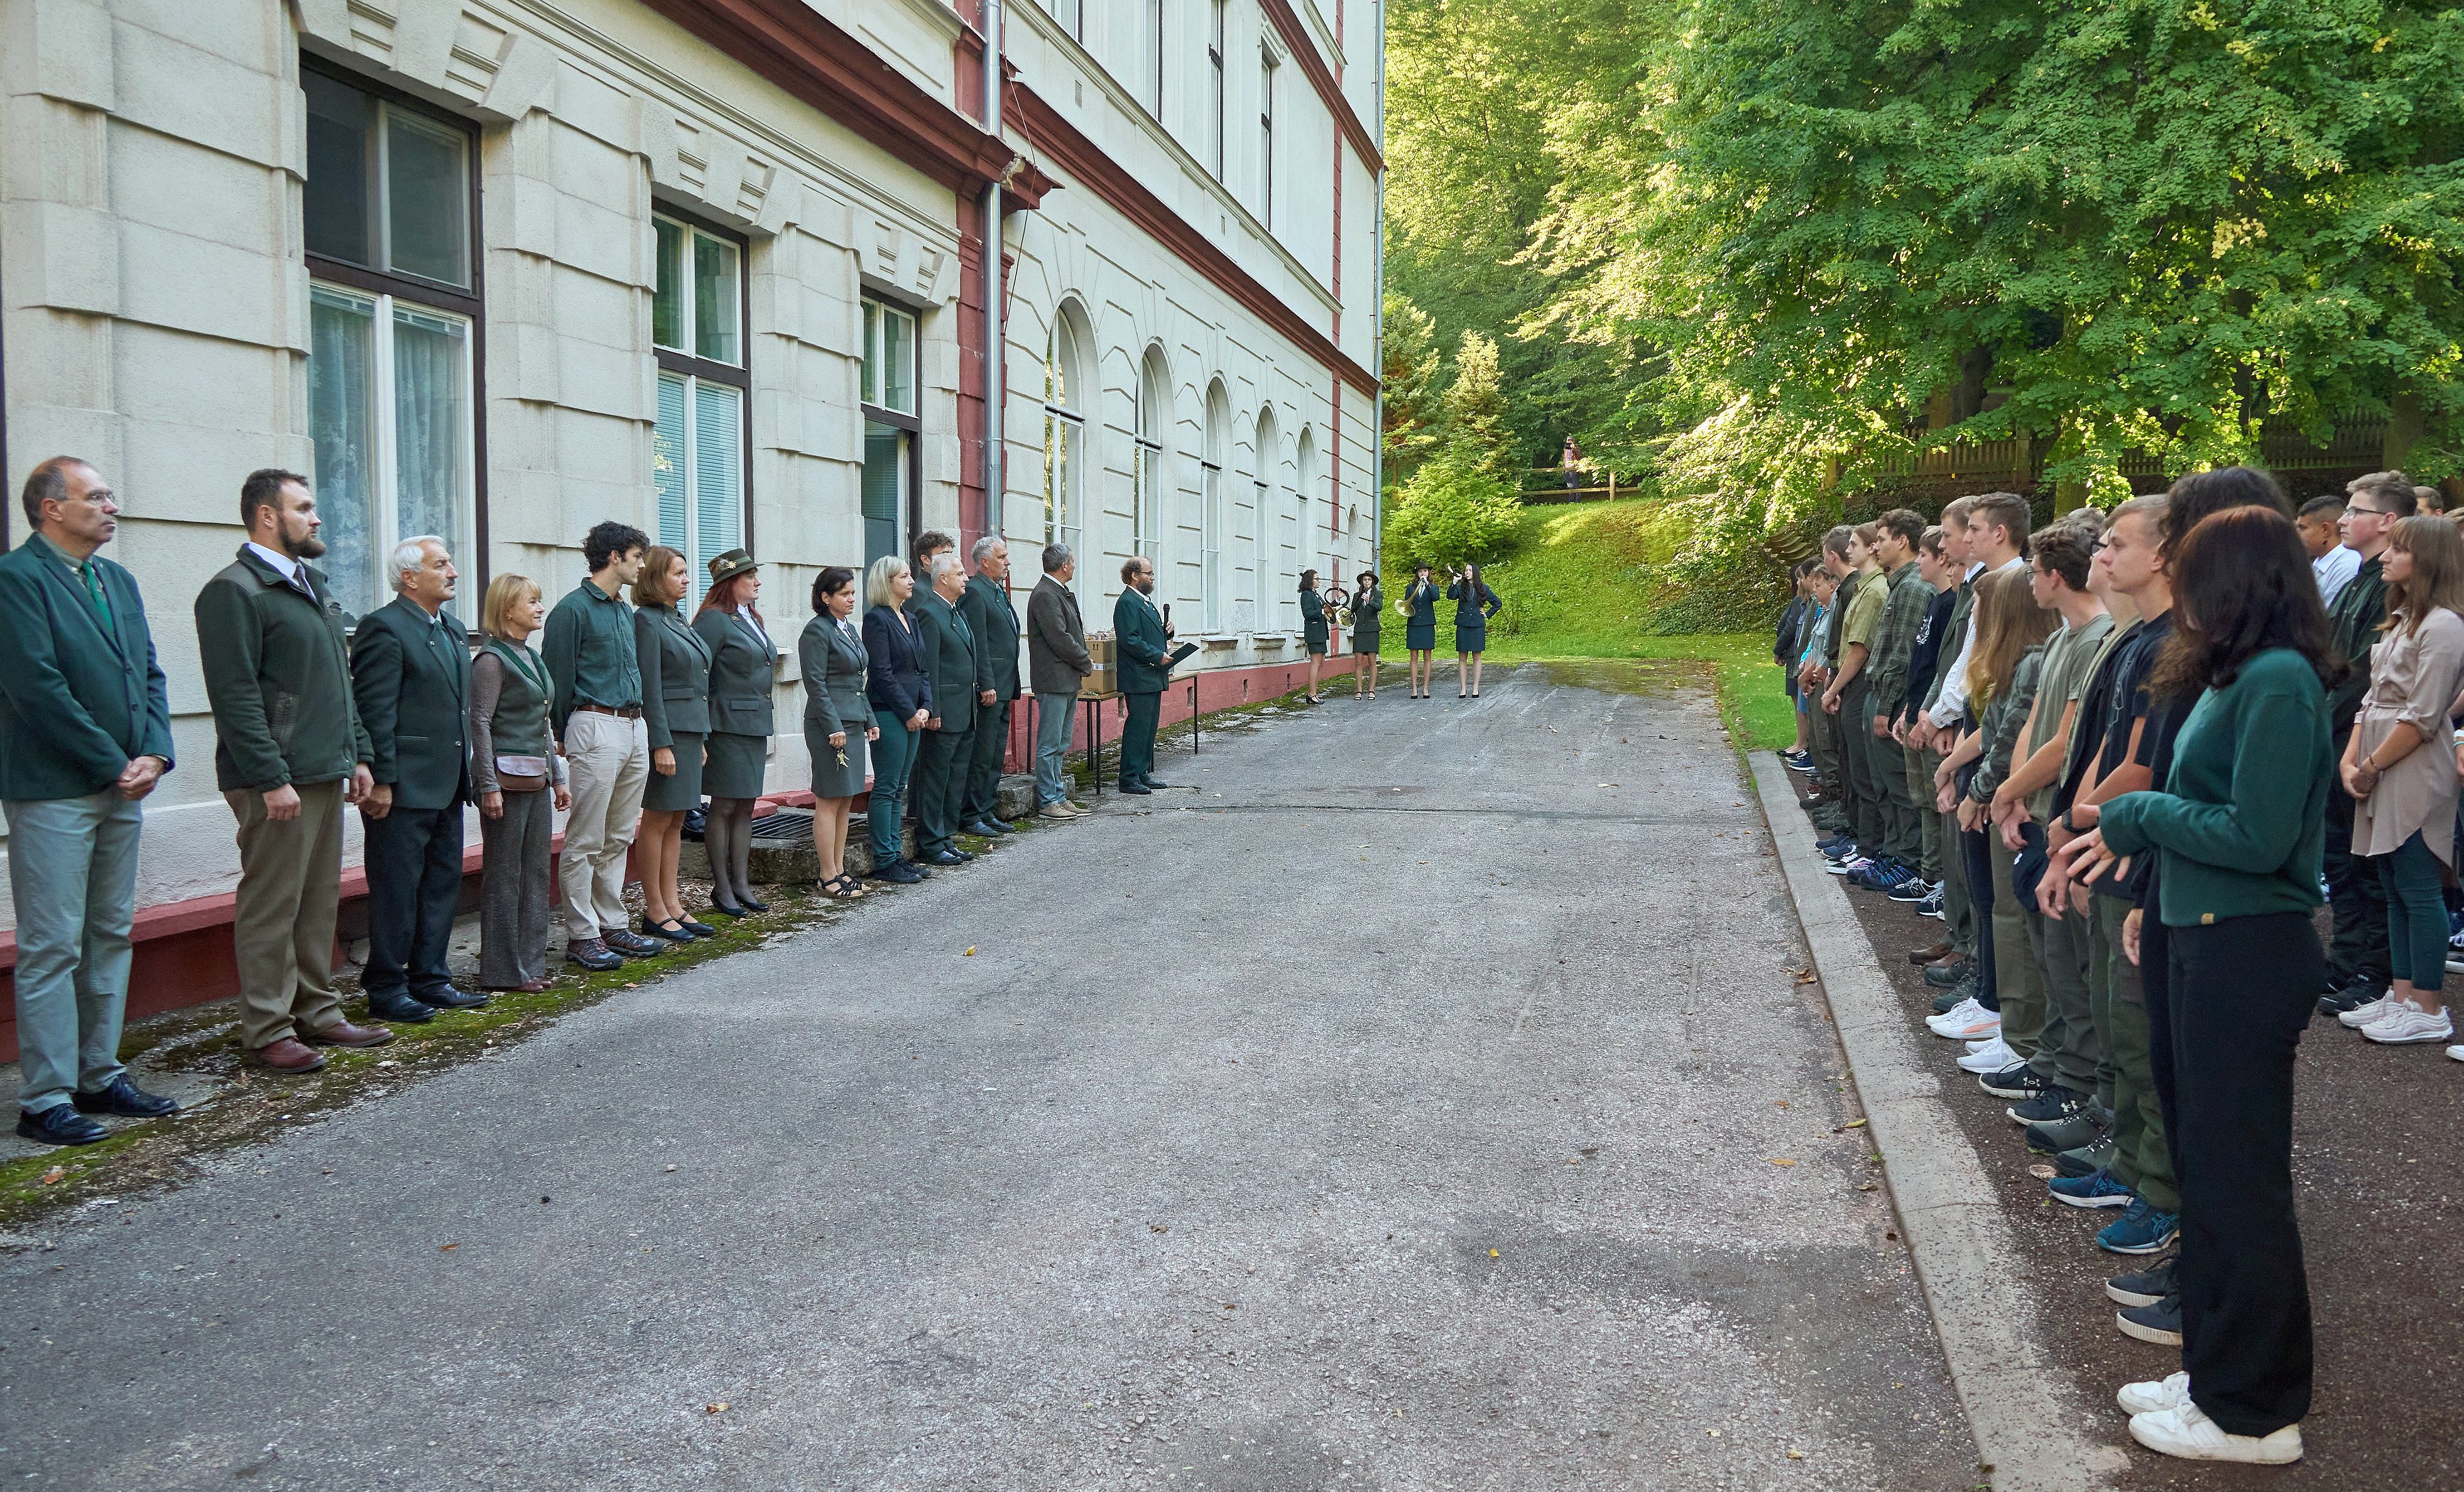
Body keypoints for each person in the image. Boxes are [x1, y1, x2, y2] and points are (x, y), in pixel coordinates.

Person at [2059, 504, 2333, 1467]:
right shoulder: (2236, 672)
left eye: (2193, 567)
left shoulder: (2278, 678)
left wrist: (2138, 814)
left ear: (2238, 580)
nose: (2177, 583)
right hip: (2202, 935)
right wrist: (2158, 888)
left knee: (2236, 1184)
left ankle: (2254, 1409)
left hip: (2245, 948)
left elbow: (2256, 835)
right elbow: (2209, 809)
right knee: (2206, 1175)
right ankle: (2214, 1370)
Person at [1, 457, 178, 1143]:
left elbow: (149, 672)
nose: (112, 506)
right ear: (51, 508)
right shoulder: (16, 579)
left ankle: (99, 1073)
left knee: (108, 932)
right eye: (97, 496)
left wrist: (156, 752)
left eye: (109, 494)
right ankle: (45, 1097)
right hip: (54, 791)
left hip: (124, 786)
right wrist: (114, 762)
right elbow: (36, 687)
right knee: (51, 945)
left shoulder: (117, 579)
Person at [194, 469, 384, 1072]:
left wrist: (358, 754)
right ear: (267, 516)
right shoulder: (235, 591)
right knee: (272, 905)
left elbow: (339, 683)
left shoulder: (311, 586)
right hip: (274, 778)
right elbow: (235, 696)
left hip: (323, 768)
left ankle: (317, 1012)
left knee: (316, 902)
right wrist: (270, 776)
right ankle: (268, 1027)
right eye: (304, 507)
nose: (317, 517)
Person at [2339, 515, 2464, 1045]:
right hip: (2383, 753)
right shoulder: (2405, 618)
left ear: (2428, 560)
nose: (2386, 556)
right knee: (2393, 885)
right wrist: (2351, 758)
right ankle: (2402, 993)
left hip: (2410, 761)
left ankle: (2429, 1005)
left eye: (2400, 549)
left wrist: (2370, 765)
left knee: (2416, 884)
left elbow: (2424, 714)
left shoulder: (2444, 625)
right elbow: (2372, 698)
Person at [349, 536, 480, 1023]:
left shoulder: (453, 629)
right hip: (402, 787)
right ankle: (386, 986)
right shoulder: (384, 627)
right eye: (441, 564)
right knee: (397, 891)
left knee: (441, 885)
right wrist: (382, 778)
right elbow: (375, 710)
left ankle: (431, 978)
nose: (453, 572)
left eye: (450, 562)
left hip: (447, 782)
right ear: (409, 577)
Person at [2318, 472, 2415, 1013]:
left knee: (2367, 862)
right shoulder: (2359, 579)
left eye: (2357, 511)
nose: (2344, 519)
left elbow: (2361, 673)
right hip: (2340, 733)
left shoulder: (2388, 587)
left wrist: (2329, 723)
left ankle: (2373, 969)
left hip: (2359, 736)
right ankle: (2346, 958)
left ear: (2388, 521)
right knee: (2339, 856)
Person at [543, 521, 656, 971]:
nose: (642, 566)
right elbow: (557, 678)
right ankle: (582, 933)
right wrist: (561, 734)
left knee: (620, 833)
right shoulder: (572, 610)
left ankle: (611, 923)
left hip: (632, 724)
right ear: (614, 557)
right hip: (594, 722)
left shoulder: (623, 610)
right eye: (637, 557)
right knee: (586, 837)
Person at [469, 574, 570, 993]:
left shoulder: (532, 656)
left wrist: (558, 777)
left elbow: (544, 722)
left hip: (537, 780)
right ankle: (501, 971)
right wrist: (488, 785)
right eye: (532, 601)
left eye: (539, 600)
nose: (540, 608)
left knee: (536, 872)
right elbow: (480, 723)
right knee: (504, 875)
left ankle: (531, 965)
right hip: (506, 783)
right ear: (507, 609)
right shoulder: (491, 660)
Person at [631, 546, 712, 944]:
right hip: (668, 733)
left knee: (678, 819)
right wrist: (660, 743)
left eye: (685, 572)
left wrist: (701, 737)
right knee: (658, 818)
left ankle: (673, 903)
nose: (686, 579)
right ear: (655, 577)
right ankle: (655, 909)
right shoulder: (646, 621)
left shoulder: (675, 618)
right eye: (678, 573)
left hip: (689, 732)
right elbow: (650, 687)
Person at [693, 549, 778, 915]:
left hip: (754, 722)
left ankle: (741, 884)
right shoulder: (714, 619)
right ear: (730, 583)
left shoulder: (749, 617)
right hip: (726, 724)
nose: (757, 582)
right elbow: (699, 675)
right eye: (749, 577)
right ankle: (722, 886)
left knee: (746, 805)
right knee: (724, 804)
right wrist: (701, 730)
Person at [1851, 509, 1929, 895]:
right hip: (1880, 692)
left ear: (1902, 541)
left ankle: (1906, 860)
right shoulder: (1898, 584)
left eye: (1881, 540)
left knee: (1899, 786)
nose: (1875, 546)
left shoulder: (1913, 587)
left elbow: (1903, 654)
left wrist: (1886, 707)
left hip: (1890, 698)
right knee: (1883, 784)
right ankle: (1893, 852)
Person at [800, 565, 875, 899]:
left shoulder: (849, 629)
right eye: (844, 594)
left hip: (853, 721)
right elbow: (816, 684)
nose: (851, 599)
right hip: (829, 726)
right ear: (826, 597)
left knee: (846, 799)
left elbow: (858, 682)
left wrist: (870, 719)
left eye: (853, 593)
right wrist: (833, 726)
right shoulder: (817, 631)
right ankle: (826, 875)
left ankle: (840, 870)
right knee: (830, 798)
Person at [861, 557, 932, 883]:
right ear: (887, 582)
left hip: (915, 713)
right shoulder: (876, 620)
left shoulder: (911, 618)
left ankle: (896, 854)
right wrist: (908, 713)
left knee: (899, 787)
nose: (912, 581)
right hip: (889, 713)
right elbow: (882, 673)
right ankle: (885, 859)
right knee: (887, 786)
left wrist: (926, 706)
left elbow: (922, 669)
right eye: (904, 576)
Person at [910, 552, 981, 862]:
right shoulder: (929, 612)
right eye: (960, 573)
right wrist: (933, 710)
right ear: (943, 578)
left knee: (956, 777)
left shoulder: (956, 611)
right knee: (936, 778)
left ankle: (947, 834)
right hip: (944, 712)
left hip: (965, 709)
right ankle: (930, 840)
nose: (966, 578)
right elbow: (931, 667)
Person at [957, 536, 1023, 837]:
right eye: (1002, 557)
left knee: (996, 753)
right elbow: (979, 642)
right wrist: (986, 683)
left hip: (1005, 683)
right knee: (982, 754)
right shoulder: (975, 591)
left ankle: (987, 808)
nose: (1007, 562)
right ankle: (972, 814)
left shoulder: (995, 590)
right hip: (990, 687)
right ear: (984, 562)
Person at [1026, 543, 1091, 819]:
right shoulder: (1045, 594)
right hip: (1053, 679)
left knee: (1061, 743)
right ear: (1064, 566)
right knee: (1050, 744)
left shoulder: (1057, 591)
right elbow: (1059, 637)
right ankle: (1048, 801)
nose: (1074, 566)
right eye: (1072, 562)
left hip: (1066, 678)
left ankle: (1059, 796)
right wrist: (1085, 660)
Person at [1115, 555, 1175, 792]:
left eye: (1152, 574)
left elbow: (1148, 634)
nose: (1152, 578)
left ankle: (1142, 772)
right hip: (1138, 675)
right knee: (1138, 727)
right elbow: (1129, 639)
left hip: (1152, 675)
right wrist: (1156, 655)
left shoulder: (1145, 602)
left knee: (1149, 727)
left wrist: (1166, 632)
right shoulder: (1127, 602)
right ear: (1134, 576)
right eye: (1148, 573)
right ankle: (1129, 777)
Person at [1447, 563, 1502, 697]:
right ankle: (1463, 688)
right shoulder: (1461, 587)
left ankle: (1476, 688)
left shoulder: (1484, 588)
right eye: (1466, 570)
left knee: (1477, 656)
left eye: (1470, 570)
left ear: (1475, 572)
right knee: (1462, 656)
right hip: (1463, 625)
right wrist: (1454, 583)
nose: (1467, 572)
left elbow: (1497, 603)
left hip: (1477, 625)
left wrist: (1487, 614)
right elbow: (1450, 596)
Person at [2296, 495, 2358, 606]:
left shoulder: (2347, 566)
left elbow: (2331, 614)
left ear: (2325, 530)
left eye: (2303, 528)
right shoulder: (2320, 561)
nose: (2297, 534)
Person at [1400, 564, 1442, 698]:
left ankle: (1425, 688)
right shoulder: (1410, 588)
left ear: (1428, 573)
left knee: (1427, 656)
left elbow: (1436, 598)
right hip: (1414, 624)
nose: (1423, 574)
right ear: (1417, 574)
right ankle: (1414, 688)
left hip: (1427, 624)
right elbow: (1407, 604)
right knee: (1414, 656)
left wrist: (1427, 585)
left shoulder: (1433, 587)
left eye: (1425, 571)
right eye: (1420, 572)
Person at [1349, 569, 1383, 698]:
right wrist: (1361, 598)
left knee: (1372, 661)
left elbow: (1379, 607)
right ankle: (1359, 690)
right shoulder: (1357, 595)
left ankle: (1371, 690)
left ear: (1373, 582)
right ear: (1362, 582)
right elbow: (1353, 609)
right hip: (1360, 630)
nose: (1367, 582)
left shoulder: (1378, 595)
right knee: (1358, 661)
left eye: (1369, 580)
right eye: (1365, 580)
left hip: (1372, 630)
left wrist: (1369, 601)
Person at [1299, 569, 1330, 704]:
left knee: (1321, 662)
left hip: (1321, 632)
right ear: (1310, 581)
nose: (1319, 581)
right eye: (1317, 579)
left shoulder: (1315, 594)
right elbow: (1308, 614)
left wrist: (1337, 600)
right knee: (1316, 663)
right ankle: (1311, 694)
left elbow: (1326, 607)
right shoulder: (1306, 595)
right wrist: (1323, 611)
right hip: (1314, 633)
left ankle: (1314, 692)